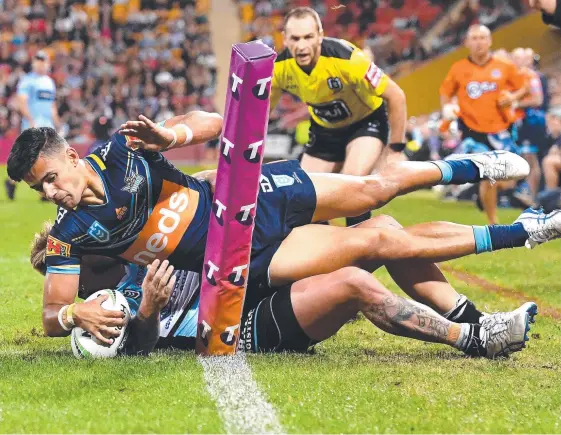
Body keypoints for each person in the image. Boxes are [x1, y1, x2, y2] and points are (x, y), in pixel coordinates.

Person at [8, 111, 561, 347]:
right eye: (40, 189)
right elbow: (53, 316)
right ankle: (525, 231)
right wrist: (73, 312)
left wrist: (172, 135)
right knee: (378, 236)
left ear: (74, 157)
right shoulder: (68, 234)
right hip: (242, 257)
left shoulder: (122, 146)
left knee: (372, 191)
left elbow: (219, 122)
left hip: (248, 196)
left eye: (51, 178)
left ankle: (475, 166)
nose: (51, 193)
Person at [29, 221, 538, 359]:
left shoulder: (132, 247)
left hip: (251, 282)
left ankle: (472, 316)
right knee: (354, 283)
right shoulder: (98, 308)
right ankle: (473, 340)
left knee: (381, 229)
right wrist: (151, 313)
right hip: (239, 328)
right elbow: (136, 347)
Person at [270, 7, 408, 227]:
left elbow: (396, 96)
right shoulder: (278, 67)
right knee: (305, 195)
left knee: (353, 185)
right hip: (325, 130)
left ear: (320, 36)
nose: (302, 45)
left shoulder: (348, 58)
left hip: (365, 122)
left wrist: (396, 150)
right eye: (295, 38)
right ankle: (327, 252)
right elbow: (262, 113)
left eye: (308, 37)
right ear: (285, 39)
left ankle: (363, 251)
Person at [440, 25, 529, 224]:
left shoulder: (505, 66)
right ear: (467, 43)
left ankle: (485, 195)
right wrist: (448, 110)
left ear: (490, 41)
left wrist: (512, 97)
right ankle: (493, 222)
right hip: (472, 130)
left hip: (501, 130)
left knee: (508, 178)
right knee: (489, 175)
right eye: (474, 38)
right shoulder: (458, 68)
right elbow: (445, 92)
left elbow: (524, 87)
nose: (479, 42)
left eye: (482, 38)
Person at [5, 51, 61, 200]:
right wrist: (30, 120)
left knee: (48, 157)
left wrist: (56, 121)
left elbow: (52, 104)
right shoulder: (27, 80)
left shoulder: (49, 82)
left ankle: (45, 190)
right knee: (28, 158)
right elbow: (21, 101)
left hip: (47, 124)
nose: (41, 63)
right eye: (38, 60)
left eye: (43, 60)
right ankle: (11, 182)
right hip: (33, 124)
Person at [510, 48, 545, 203]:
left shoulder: (531, 76)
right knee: (526, 157)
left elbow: (538, 100)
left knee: (530, 159)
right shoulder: (518, 76)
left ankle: (532, 196)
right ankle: (528, 194)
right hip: (524, 121)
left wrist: (515, 103)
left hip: (532, 121)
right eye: (514, 58)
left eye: (518, 58)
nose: (515, 61)